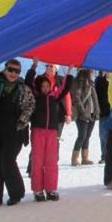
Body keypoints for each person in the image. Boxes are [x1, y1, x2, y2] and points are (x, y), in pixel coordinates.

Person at [0, 59, 35, 208]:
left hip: (14, 132)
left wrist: (21, 123)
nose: (13, 73)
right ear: (5, 69)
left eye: (17, 71)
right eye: (11, 70)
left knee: (7, 162)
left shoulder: (23, 88)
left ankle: (16, 194)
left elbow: (30, 106)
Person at [25, 66, 73, 201]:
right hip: (38, 131)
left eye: (48, 86)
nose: (46, 88)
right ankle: (38, 190)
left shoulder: (54, 97)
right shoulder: (36, 96)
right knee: (38, 161)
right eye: (43, 86)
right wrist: (33, 67)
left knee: (51, 161)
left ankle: (51, 189)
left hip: (52, 131)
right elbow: (28, 83)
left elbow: (65, 89)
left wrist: (68, 73)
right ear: (39, 88)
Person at [70, 69, 99, 166]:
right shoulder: (78, 82)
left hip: (91, 113)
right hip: (82, 114)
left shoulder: (91, 83)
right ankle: (74, 159)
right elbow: (77, 98)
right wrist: (83, 111)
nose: (93, 73)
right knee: (82, 135)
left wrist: (96, 111)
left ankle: (85, 158)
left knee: (87, 136)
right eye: (91, 71)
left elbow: (94, 98)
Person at [94, 71, 111, 164]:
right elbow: (96, 96)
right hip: (103, 112)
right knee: (103, 135)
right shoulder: (99, 81)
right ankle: (104, 156)